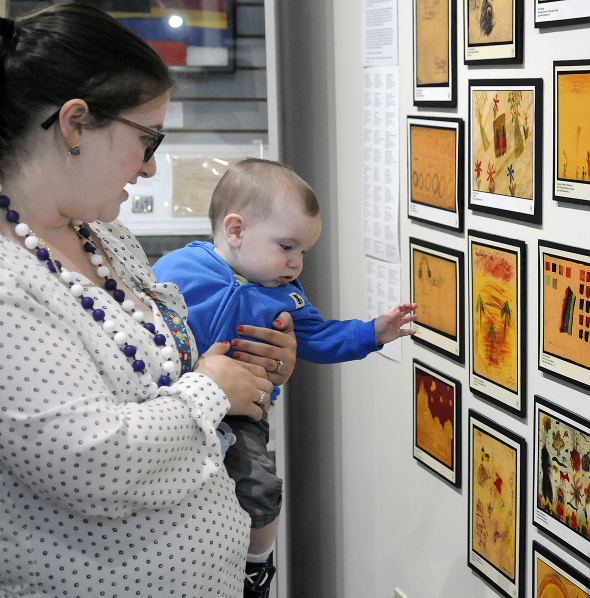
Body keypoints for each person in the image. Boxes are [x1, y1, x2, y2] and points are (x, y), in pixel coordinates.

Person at [0, 5, 299, 597]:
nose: (150, 165)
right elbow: (93, 462)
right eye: (146, 138)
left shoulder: (104, 234)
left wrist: (247, 365)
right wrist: (214, 389)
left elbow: (166, 373)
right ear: (74, 125)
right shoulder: (10, 284)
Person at [152, 158, 418, 597]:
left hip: (241, 415)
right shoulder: (179, 269)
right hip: (174, 402)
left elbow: (322, 336)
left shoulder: (286, 298)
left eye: (303, 252)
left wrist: (373, 332)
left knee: (259, 487)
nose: (296, 263)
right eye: (286, 246)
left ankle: (256, 568)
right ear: (235, 231)